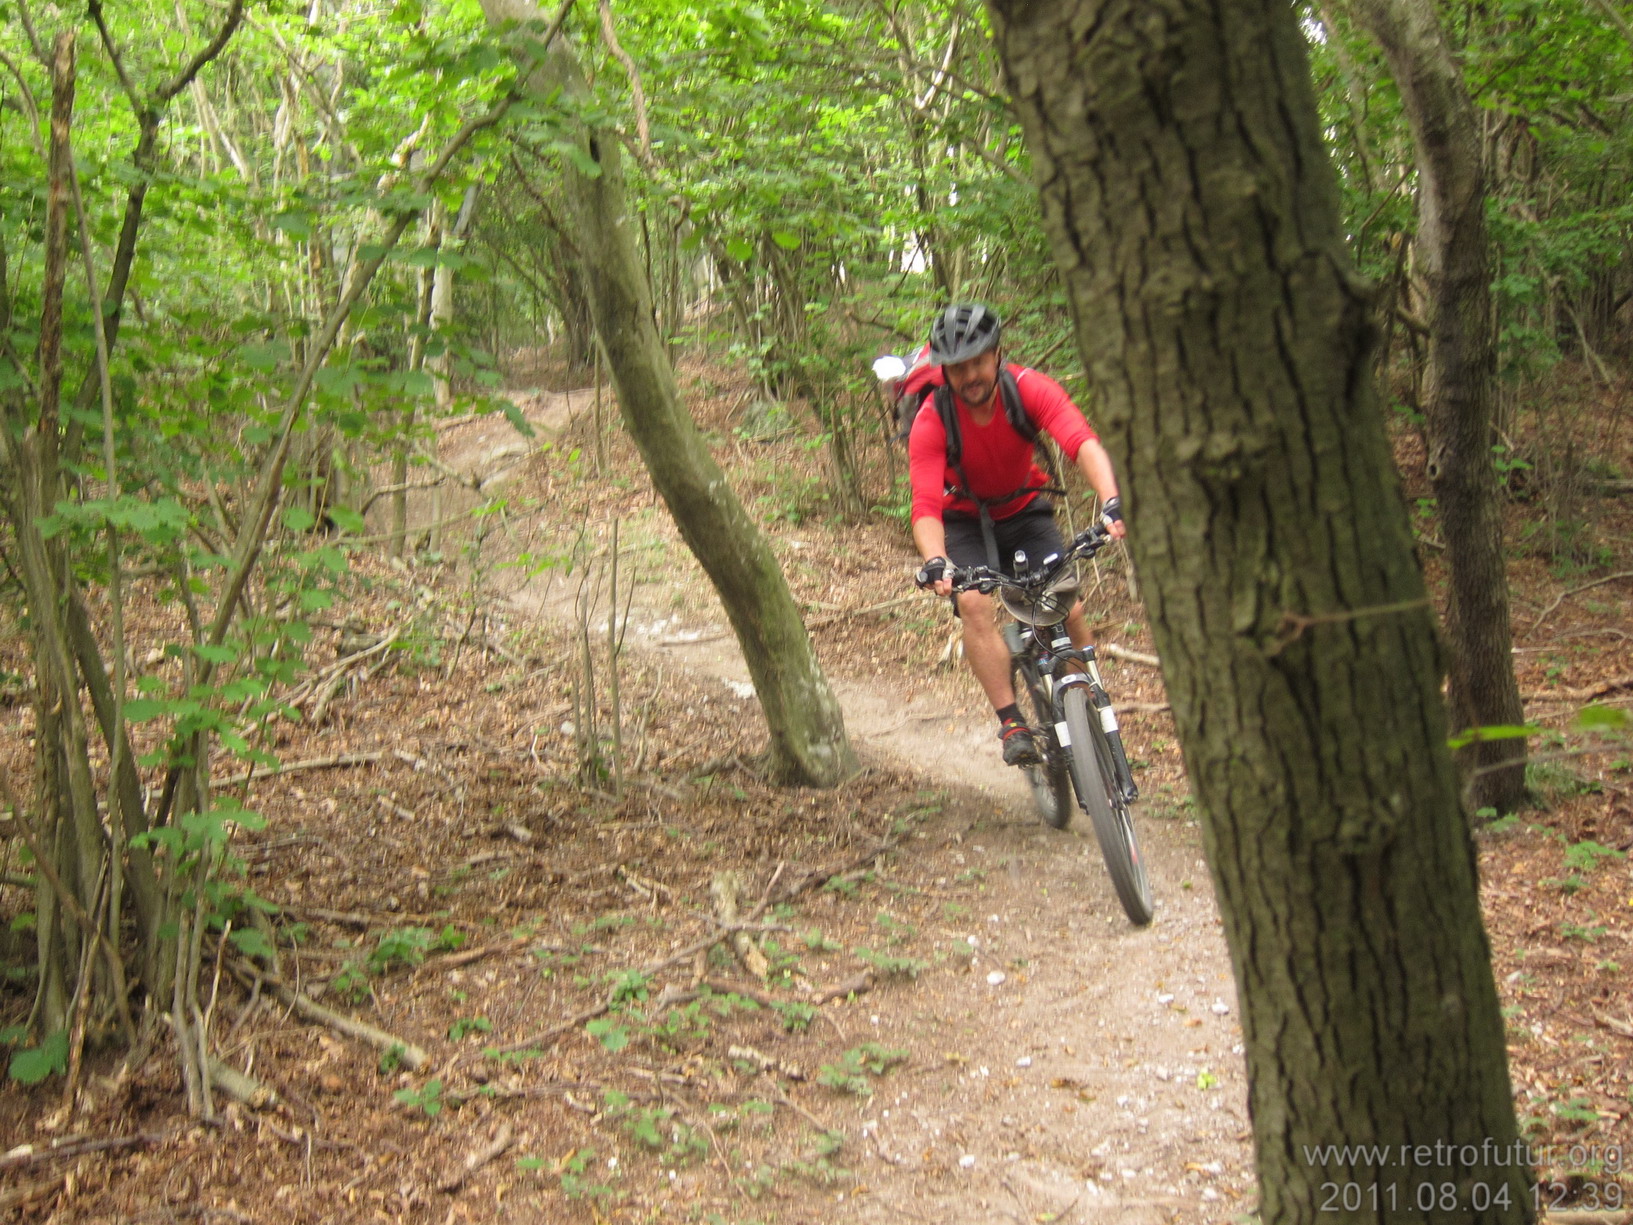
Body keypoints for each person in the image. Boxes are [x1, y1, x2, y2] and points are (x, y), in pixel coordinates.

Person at [907, 303, 1126, 766]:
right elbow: (926, 505)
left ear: (997, 355)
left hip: (1023, 508)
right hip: (963, 520)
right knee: (973, 603)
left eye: (978, 361)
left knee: (1069, 606)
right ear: (944, 373)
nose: (971, 375)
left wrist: (1110, 499)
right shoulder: (931, 420)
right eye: (958, 367)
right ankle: (1011, 720)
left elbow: (1080, 441)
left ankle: (1083, 698)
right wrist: (936, 560)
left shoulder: (1028, 389)